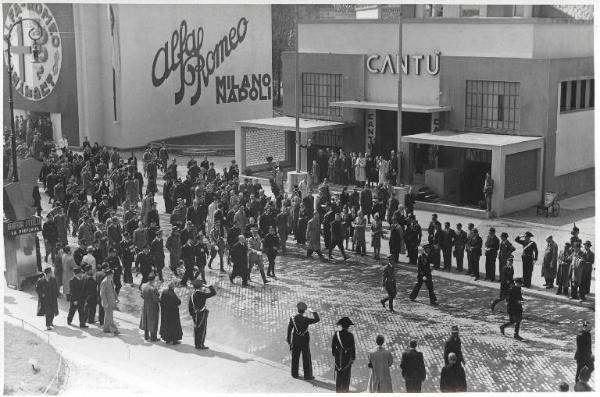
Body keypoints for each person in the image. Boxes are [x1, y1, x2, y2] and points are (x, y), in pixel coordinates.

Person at [287, 302, 320, 380]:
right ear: (304, 311)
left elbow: (289, 330)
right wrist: (313, 312)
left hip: (295, 339)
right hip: (304, 340)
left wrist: (289, 341)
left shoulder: (293, 318)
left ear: (298, 310)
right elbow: (317, 319)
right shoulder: (306, 319)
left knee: (295, 357)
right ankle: (307, 375)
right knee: (306, 357)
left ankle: (294, 374)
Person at [189, 279, 217, 349]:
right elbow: (213, 293)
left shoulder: (193, 294)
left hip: (195, 314)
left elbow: (190, 305)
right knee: (202, 329)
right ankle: (200, 345)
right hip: (201, 314)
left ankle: (197, 344)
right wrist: (209, 286)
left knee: (196, 329)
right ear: (200, 287)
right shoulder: (201, 294)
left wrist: (192, 314)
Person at [332, 317, 356, 393]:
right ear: (348, 326)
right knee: (346, 378)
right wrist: (353, 358)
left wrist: (335, 354)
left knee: (339, 377)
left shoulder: (337, 334)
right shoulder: (350, 335)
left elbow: (333, 346)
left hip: (338, 358)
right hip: (347, 358)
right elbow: (352, 348)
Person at [99, 265, 119, 335]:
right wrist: (105, 302)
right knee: (110, 316)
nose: (113, 275)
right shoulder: (104, 282)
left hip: (111, 301)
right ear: (109, 275)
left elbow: (113, 290)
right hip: (107, 302)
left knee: (108, 316)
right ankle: (114, 329)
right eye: (112, 274)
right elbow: (102, 293)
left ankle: (106, 329)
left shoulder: (111, 281)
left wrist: (116, 298)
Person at [139, 274, 160, 341]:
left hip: (145, 305)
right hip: (152, 307)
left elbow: (141, 295)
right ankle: (153, 337)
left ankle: (146, 336)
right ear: (153, 280)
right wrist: (160, 299)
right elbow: (155, 299)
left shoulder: (143, 285)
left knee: (146, 320)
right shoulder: (153, 289)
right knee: (153, 321)